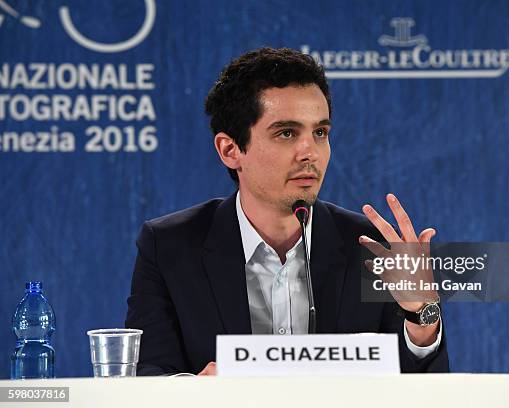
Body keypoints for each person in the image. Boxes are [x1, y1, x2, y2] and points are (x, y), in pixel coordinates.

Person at [126, 47, 449, 375]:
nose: (310, 152)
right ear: (230, 150)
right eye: (286, 133)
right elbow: (149, 378)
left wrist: (422, 315)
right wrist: (196, 391)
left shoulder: (372, 247)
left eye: (320, 133)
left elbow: (424, 391)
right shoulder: (169, 246)